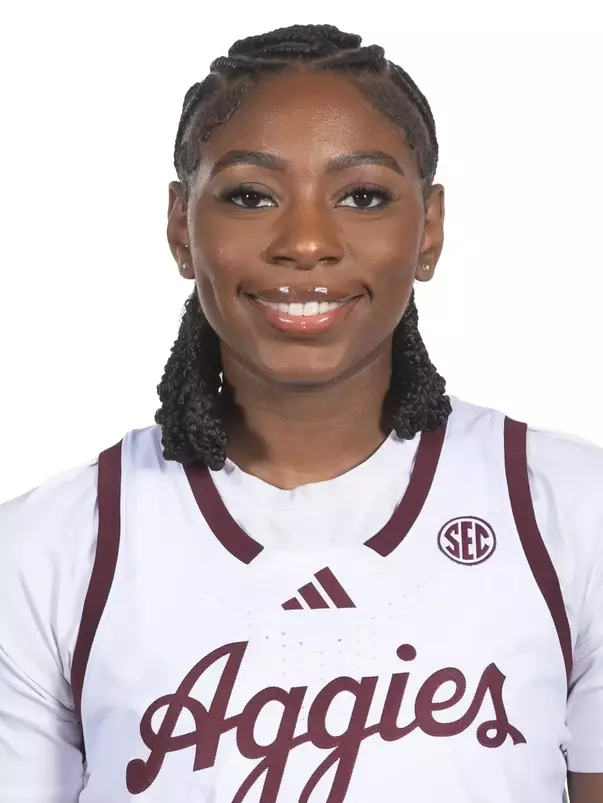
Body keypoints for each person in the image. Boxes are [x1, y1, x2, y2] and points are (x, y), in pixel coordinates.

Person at [0, 22, 601, 803]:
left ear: (429, 230)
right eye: (250, 195)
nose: (307, 241)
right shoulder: (48, 550)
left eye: (363, 195)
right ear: (182, 226)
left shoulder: (571, 511)